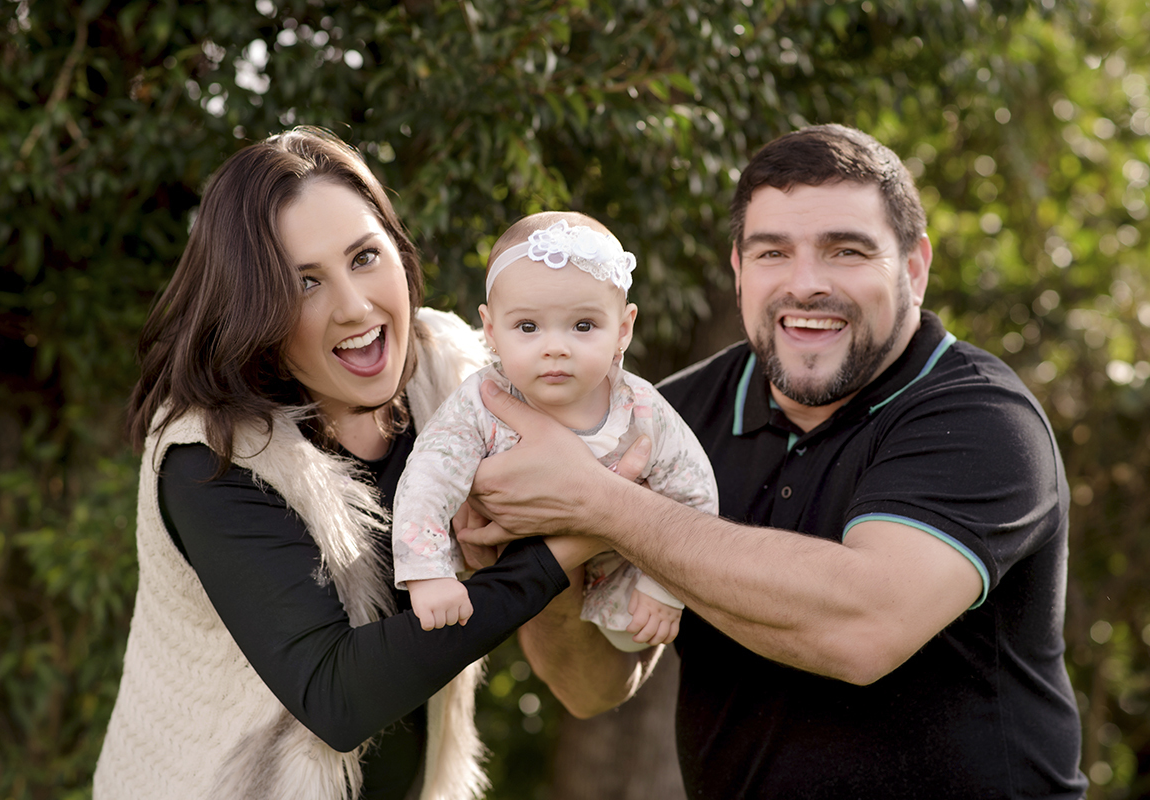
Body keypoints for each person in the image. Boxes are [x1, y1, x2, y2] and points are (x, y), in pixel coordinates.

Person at [461, 124, 1088, 798]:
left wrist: (606, 506)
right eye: (772, 253)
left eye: (845, 250)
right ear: (738, 269)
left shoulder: (982, 420)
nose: (805, 285)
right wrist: (544, 561)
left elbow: (862, 628)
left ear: (912, 267)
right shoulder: (671, 417)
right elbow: (593, 685)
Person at [92, 127, 595, 800]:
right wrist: (569, 544)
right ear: (254, 311)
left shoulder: (454, 379)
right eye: (304, 282)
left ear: (398, 249)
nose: (354, 307)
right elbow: (337, 697)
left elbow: (601, 434)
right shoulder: (209, 458)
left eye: (364, 256)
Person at [392, 212, 718, 651]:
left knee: (632, 634)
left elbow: (694, 487)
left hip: (617, 561)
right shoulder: (482, 401)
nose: (555, 347)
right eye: (528, 327)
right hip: (503, 569)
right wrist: (427, 571)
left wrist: (664, 586)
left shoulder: (639, 407)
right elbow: (428, 478)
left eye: (583, 326)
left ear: (623, 328)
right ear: (491, 330)